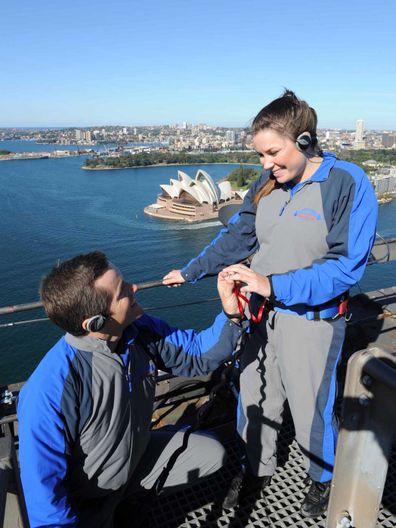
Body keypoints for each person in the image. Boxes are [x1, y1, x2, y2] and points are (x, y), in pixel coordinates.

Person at [163, 89, 378, 518]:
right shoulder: (266, 184)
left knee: (310, 407)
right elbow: (239, 236)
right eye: (261, 156)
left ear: (303, 140)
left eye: (273, 153)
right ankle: (255, 469)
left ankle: (321, 476)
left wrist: (270, 283)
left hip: (311, 323)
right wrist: (192, 270)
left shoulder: (347, 184)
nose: (266, 165)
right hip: (260, 317)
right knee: (254, 400)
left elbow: (345, 268)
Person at [17, 250, 248, 528]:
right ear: (96, 323)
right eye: (122, 290)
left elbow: (196, 356)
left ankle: (131, 496)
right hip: (89, 498)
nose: (134, 287)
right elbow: (45, 492)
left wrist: (231, 313)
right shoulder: (50, 388)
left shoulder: (138, 331)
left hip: (133, 458)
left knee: (211, 454)